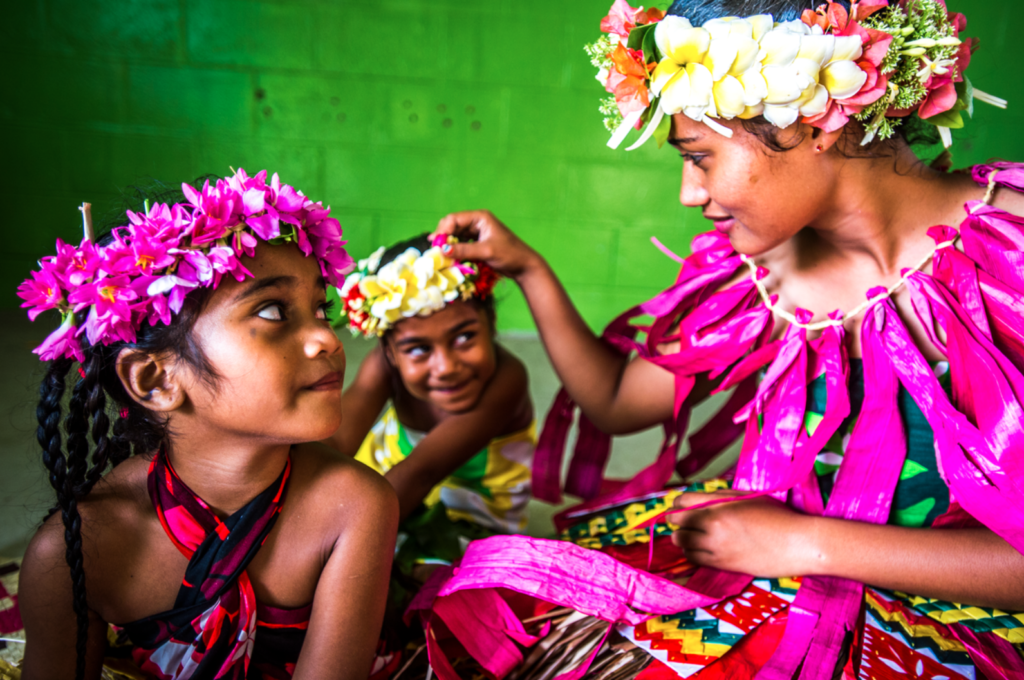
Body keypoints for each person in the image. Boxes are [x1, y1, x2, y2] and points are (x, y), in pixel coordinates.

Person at [417, 0, 1024, 676]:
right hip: (784, 577)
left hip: (967, 624)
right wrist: (527, 267)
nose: (688, 192)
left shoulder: (1013, 252)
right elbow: (617, 401)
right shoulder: (759, 271)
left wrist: (805, 544)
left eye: (699, 157)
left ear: (810, 120)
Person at [16, 170, 399, 680]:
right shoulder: (75, 551)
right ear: (154, 379)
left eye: (320, 309)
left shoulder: (356, 506)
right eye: (273, 311)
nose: (327, 340)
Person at [327, 233, 534, 576]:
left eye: (465, 337)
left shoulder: (507, 380)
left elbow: (420, 472)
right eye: (419, 349)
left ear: (492, 324)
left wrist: (330, 536)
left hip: (469, 523)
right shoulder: (383, 366)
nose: (446, 367)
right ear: (390, 353)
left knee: (431, 589)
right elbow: (336, 439)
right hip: (384, 487)